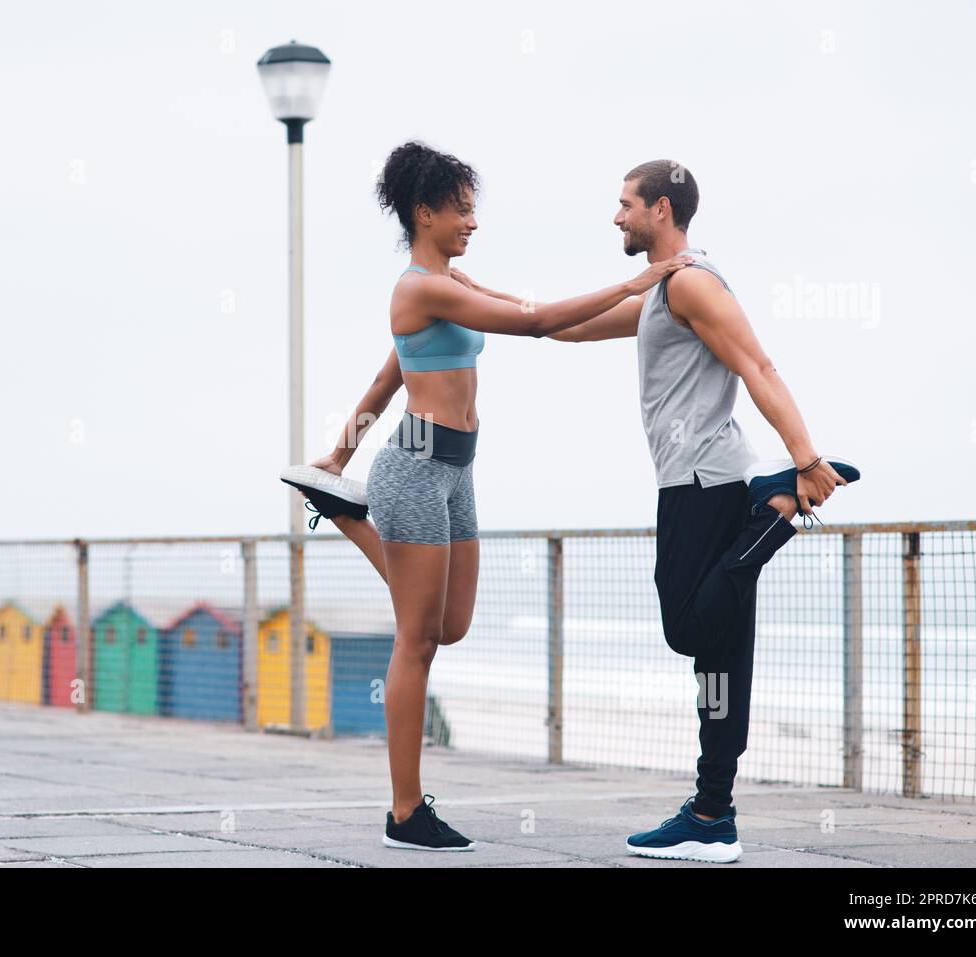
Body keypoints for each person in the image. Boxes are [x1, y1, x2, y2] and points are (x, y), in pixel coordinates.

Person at [279, 141, 692, 851]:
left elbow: (395, 375)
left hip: (456, 469)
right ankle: (406, 812)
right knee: (417, 639)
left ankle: (349, 513)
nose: (472, 221)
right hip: (411, 469)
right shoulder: (418, 288)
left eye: (474, 209)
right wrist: (635, 283)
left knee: (453, 623)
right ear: (424, 211)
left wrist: (340, 452)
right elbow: (535, 322)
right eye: (461, 209)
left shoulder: (453, 283)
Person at [521, 158, 860, 862]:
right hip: (702, 483)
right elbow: (566, 327)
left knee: (688, 627)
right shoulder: (658, 293)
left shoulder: (694, 284)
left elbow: (758, 366)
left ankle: (778, 511)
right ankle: (713, 813)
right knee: (718, 661)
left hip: (703, 484)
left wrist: (805, 458)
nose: (616, 216)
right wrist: (467, 292)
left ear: (662, 211)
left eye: (625, 204)